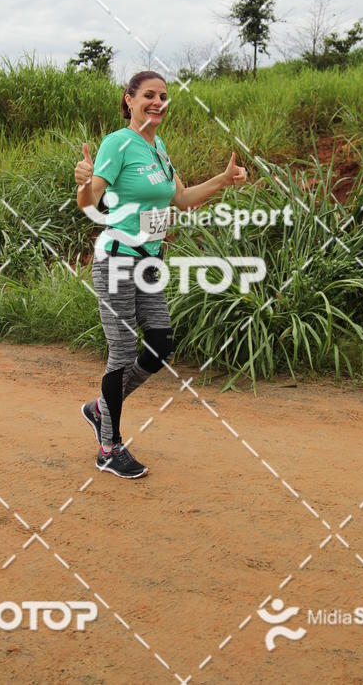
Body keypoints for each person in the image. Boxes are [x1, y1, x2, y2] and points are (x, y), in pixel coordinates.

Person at [74, 70, 247, 479]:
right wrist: (82, 182)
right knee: (120, 350)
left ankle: (101, 408)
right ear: (129, 100)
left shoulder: (159, 148)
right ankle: (109, 447)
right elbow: (91, 200)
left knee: (160, 344)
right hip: (117, 257)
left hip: (148, 260)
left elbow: (182, 198)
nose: (157, 102)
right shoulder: (118, 143)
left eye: (164, 97)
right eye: (149, 95)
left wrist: (223, 180)